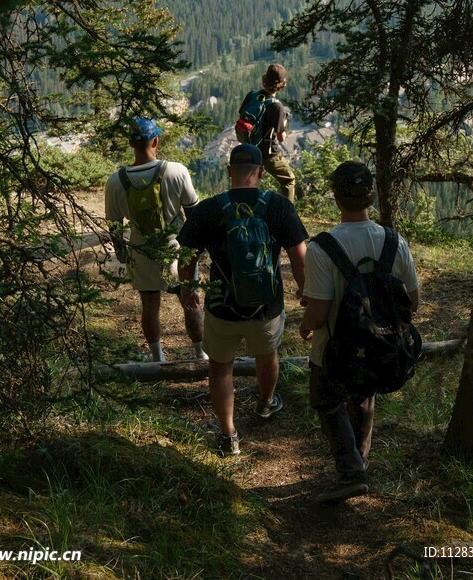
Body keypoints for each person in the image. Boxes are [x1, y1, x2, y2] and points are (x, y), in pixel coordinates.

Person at [299, 161, 420, 504]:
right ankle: (360, 464)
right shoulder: (395, 242)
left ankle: (352, 472)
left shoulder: (322, 247)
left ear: (336, 197)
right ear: (371, 195)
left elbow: (320, 313)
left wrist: (305, 326)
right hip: (381, 345)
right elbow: (413, 301)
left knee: (326, 400)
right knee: (365, 395)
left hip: (334, 348)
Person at [177, 143, 307, 456]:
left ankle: (229, 434)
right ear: (261, 172)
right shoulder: (277, 205)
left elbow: (185, 255)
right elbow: (299, 255)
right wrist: (305, 291)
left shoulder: (209, 208)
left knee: (221, 368)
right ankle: (265, 404)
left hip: (222, 307)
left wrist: (188, 288)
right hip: (267, 306)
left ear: (229, 171)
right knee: (267, 355)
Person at [105, 117, 205, 363]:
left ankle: (157, 357)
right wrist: (196, 250)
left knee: (149, 304)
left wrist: (122, 253)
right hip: (176, 248)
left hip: (141, 250)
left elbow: (114, 225)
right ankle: (200, 353)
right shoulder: (176, 171)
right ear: (156, 141)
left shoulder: (115, 181)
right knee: (190, 299)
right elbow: (193, 214)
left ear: (131, 143)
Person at [236, 63, 296, 201]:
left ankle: (243, 207)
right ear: (282, 85)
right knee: (288, 180)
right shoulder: (277, 106)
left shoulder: (252, 95)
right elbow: (281, 137)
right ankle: (287, 212)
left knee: (248, 184)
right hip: (268, 154)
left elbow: (242, 116)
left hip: (249, 148)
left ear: (264, 80)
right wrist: (284, 123)